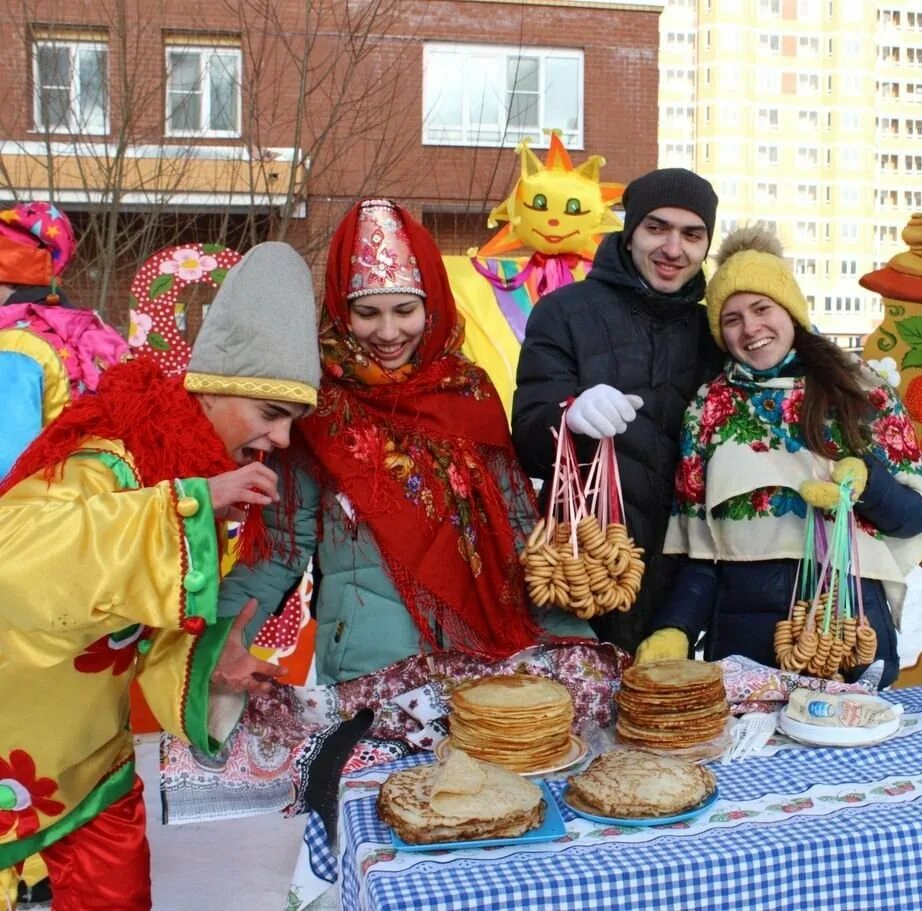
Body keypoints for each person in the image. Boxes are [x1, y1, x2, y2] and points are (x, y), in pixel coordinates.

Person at [0, 241, 321, 909]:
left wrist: (215, 666)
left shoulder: (202, 484)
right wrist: (187, 509)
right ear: (209, 392)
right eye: (272, 414)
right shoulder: (111, 459)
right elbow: (15, 559)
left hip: (92, 764)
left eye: (293, 421)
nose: (284, 440)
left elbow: (142, 626)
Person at [219, 199, 587, 686]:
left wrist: (568, 637)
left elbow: (518, 531)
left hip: (484, 658)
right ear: (340, 310)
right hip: (371, 668)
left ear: (431, 305)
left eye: (405, 311)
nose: (388, 333)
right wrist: (215, 639)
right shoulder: (319, 409)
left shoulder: (470, 392)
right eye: (367, 313)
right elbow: (280, 546)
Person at [634, 226, 922, 686]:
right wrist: (674, 629)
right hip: (742, 644)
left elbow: (914, 520)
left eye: (762, 308)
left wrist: (867, 484)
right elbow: (700, 552)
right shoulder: (710, 408)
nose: (750, 328)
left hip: (848, 629)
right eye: (732, 318)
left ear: (790, 310)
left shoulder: (860, 392)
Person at [512, 168, 725, 653]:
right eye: (657, 228)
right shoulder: (565, 312)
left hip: (681, 586)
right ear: (630, 233)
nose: (673, 249)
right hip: (581, 570)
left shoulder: (713, 332)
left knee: (668, 722)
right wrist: (569, 417)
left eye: (692, 235)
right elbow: (527, 438)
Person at [0, 201, 129, 477]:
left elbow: (5, 463)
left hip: (31, 512)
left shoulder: (13, 345)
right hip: (107, 507)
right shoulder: (99, 334)